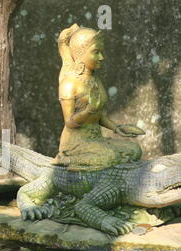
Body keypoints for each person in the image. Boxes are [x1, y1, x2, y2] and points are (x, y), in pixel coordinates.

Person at [51, 24, 145, 171]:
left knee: (135, 150)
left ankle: (92, 162)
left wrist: (117, 128)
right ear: (80, 54)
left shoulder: (95, 80)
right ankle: (67, 158)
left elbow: (99, 115)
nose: (102, 57)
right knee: (110, 156)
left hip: (95, 139)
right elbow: (69, 122)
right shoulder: (69, 84)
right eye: (96, 52)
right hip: (76, 142)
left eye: (101, 52)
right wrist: (88, 110)